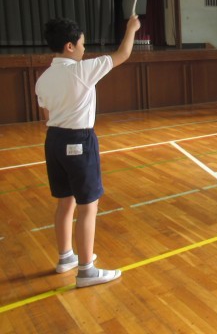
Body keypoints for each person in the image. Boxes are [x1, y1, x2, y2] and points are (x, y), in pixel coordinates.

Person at [35, 14, 140, 288]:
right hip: (78, 141)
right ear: (69, 46)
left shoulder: (43, 79)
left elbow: (47, 115)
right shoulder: (82, 70)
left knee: (65, 202)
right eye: (82, 43)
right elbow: (123, 54)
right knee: (88, 206)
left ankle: (65, 257)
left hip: (53, 141)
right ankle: (86, 271)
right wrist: (131, 28)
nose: (84, 48)